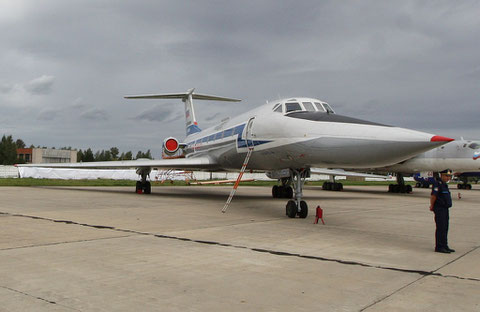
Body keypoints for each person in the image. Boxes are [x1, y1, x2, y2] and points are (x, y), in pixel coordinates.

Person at [430, 169, 455, 253]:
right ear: (441, 176)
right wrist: (432, 206)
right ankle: (439, 247)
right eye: (446, 176)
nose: (448, 178)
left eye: (449, 176)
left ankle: (445, 245)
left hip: (445, 209)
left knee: (445, 227)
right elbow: (433, 196)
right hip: (439, 208)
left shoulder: (444, 185)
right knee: (440, 227)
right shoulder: (438, 184)